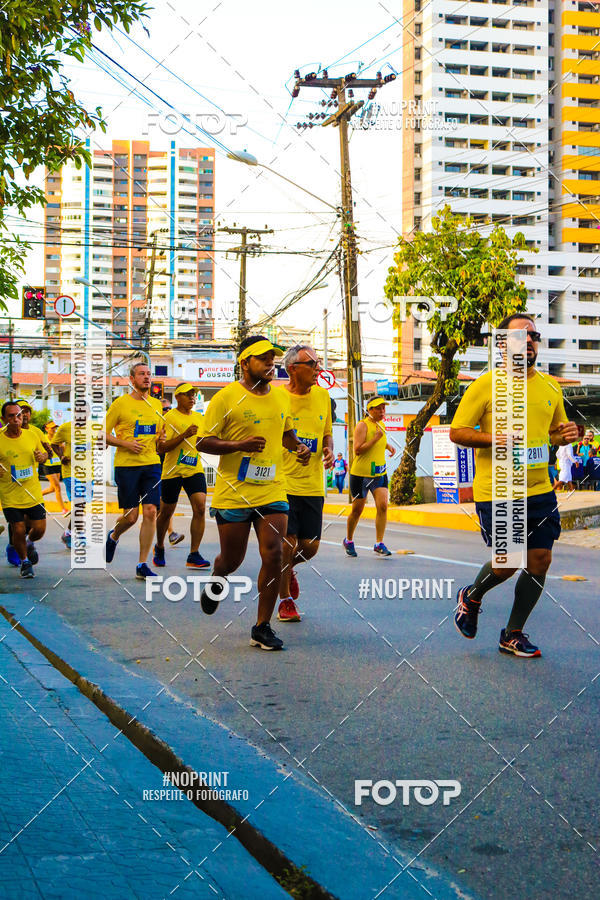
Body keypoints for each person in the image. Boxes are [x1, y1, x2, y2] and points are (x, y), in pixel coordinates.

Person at [450, 313, 579, 658]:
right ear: (504, 344)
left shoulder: (551, 387)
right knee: (508, 561)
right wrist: (497, 439)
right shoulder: (486, 384)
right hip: (499, 488)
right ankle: (472, 595)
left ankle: (513, 632)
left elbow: (553, 434)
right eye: (523, 336)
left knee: (540, 558)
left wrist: (568, 434)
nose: (531, 341)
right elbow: (458, 431)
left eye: (535, 335)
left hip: (539, 488)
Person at [197, 335, 310, 651]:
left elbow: (286, 435)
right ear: (244, 363)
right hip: (234, 492)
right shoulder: (225, 398)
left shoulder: (280, 398)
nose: (270, 363)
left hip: (273, 488)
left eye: (272, 357)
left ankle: (262, 626)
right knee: (232, 560)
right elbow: (203, 442)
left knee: (273, 554)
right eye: (262, 358)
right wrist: (239, 446)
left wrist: (298, 446)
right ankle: (218, 574)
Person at [275, 344, 333, 622]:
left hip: (312, 484)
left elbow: (327, 433)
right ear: (292, 369)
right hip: (282, 482)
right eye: (311, 363)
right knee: (288, 543)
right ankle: (284, 600)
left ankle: (285, 570)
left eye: (318, 362)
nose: (317, 368)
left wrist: (329, 450)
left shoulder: (322, 397)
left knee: (309, 547)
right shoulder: (276, 397)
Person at [104, 361, 163, 579]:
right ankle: (114, 535)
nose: (146, 377)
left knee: (150, 512)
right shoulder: (121, 404)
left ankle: (142, 564)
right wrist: (126, 443)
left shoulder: (157, 405)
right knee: (130, 517)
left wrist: (161, 437)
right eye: (141, 374)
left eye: (149, 374)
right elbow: (102, 434)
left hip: (151, 464)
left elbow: (158, 433)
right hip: (127, 465)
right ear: (132, 379)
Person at [154, 382, 210, 570]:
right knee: (166, 512)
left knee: (201, 507)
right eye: (187, 394)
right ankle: (160, 546)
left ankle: (194, 554)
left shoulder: (199, 418)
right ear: (177, 397)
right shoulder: (168, 417)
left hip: (194, 468)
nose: (192, 397)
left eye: (194, 394)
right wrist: (184, 435)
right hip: (172, 470)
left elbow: (204, 441)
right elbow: (160, 448)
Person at [343, 397, 396, 558]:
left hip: (379, 474)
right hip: (361, 475)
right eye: (378, 409)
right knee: (357, 509)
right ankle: (349, 540)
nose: (382, 412)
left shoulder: (382, 426)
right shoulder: (362, 425)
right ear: (369, 410)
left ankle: (379, 543)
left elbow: (380, 440)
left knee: (383, 506)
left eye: (383, 408)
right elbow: (358, 449)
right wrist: (376, 439)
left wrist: (388, 445)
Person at [0, 401, 47, 578]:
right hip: (10, 494)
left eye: (18, 415)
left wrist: (42, 456)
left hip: (32, 492)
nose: (16, 419)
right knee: (18, 528)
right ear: (3, 419)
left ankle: (27, 543)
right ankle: (25, 562)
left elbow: (43, 455)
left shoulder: (32, 435)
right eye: (11, 416)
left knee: (40, 530)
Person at [159, 396, 184, 546]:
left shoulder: (173, 426)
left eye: (169, 408)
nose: (168, 411)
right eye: (165, 409)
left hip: (169, 468)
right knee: (155, 507)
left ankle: (170, 533)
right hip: (153, 467)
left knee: (166, 504)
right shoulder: (156, 425)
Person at [41, 421, 68, 514]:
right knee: (57, 487)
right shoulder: (43, 438)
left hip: (57, 465)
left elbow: (63, 450)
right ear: (46, 429)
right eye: (52, 428)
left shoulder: (58, 438)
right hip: (48, 466)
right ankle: (63, 509)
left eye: (55, 427)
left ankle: (37, 496)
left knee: (52, 488)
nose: (54, 429)